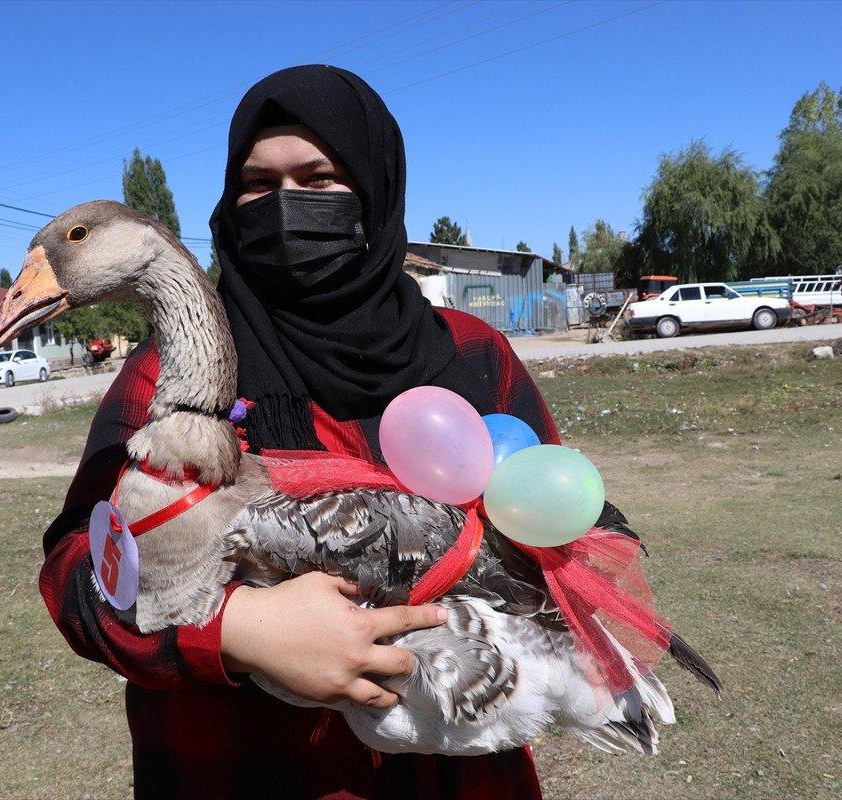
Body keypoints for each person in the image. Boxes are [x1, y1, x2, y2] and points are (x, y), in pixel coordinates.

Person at [39, 65, 561, 799]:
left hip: (461, 773)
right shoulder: (172, 376)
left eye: (319, 180)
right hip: (246, 772)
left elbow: (561, 527)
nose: (286, 206)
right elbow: (75, 572)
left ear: (375, 190)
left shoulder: (470, 352)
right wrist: (237, 630)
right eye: (257, 184)